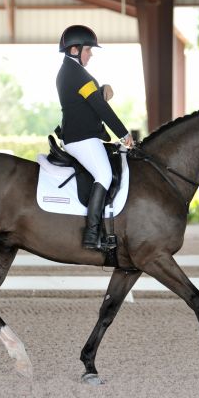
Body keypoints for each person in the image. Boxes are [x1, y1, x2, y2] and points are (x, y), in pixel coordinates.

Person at [56, 24, 134, 250]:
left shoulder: (71, 72)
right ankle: (92, 235)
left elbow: (86, 100)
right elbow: (99, 107)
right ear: (74, 50)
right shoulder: (76, 72)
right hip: (81, 138)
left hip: (81, 135)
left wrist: (102, 88)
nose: (90, 55)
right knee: (104, 173)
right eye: (88, 50)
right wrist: (123, 134)